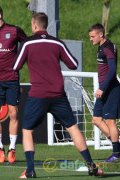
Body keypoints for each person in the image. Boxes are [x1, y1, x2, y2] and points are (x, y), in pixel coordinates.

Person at [13, 13, 103, 178]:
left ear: (34, 25)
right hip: (58, 95)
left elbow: (16, 65)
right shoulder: (57, 43)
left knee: (27, 131)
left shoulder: (27, 43)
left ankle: (31, 170)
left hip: (38, 94)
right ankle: (91, 166)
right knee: (73, 128)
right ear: (46, 26)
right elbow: (74, 64)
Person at [0, 4, 27, 163]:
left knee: (13, 113)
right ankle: (0, 148)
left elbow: (27, 45)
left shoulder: (15, 30)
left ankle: (12, 149)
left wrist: (20, 62)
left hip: (11, 78)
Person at [89, 23, 120, 163]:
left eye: (92, 36)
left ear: (101, 34)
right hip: (104, 90)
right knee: (96, 119)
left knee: (110, 121)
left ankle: (116, 154)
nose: (90, 39)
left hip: (111, 89)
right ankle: (117, 147)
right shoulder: (101, 47)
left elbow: (113, 70)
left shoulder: (107, 47)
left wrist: (102, 87)